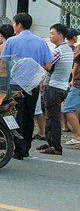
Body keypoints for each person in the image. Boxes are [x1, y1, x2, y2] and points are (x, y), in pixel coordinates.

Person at [0, 13, 54, 160]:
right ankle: (26, 148)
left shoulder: (11, 41)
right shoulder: (41, 42)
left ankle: (19, 148)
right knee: (29, 116)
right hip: (33, 85)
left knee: (15, 115)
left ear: (19, 25)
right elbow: (48, 65)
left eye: (14, 24)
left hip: (15, 85)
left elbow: (4, 63)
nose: (13, 26)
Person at [35, 23, 73, 155]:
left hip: (54, 87)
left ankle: (56, 146)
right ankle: (50, 141)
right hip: (62, 87)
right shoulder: (68, 49)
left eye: (52, 34)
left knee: (53, 117)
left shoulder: (58, 50)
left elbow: (48, 65)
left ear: (60, 35)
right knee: (51, 116)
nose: (50, 36)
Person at [61, 49, 80, 149]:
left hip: (78, 85)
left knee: (67, 109)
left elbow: (76, 62)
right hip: (76, 83)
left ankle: (78, 136)